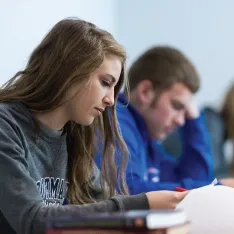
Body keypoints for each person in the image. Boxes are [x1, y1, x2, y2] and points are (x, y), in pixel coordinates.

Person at [0, 19, 188, 234]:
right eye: (106, 83)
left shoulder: (73, 138)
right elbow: (33, 220)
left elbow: (105, 205)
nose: (110, 100)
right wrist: (143, 204)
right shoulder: (5, 125)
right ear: (70, 72)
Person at [96, 46, 220, 194]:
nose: (181, 121)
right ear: (145, 92)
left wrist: (193, 121)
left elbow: (195, 183)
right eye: (176, 106)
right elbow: (125, 192)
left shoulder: (147, 140)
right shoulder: (115, 119)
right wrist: (216, 188)